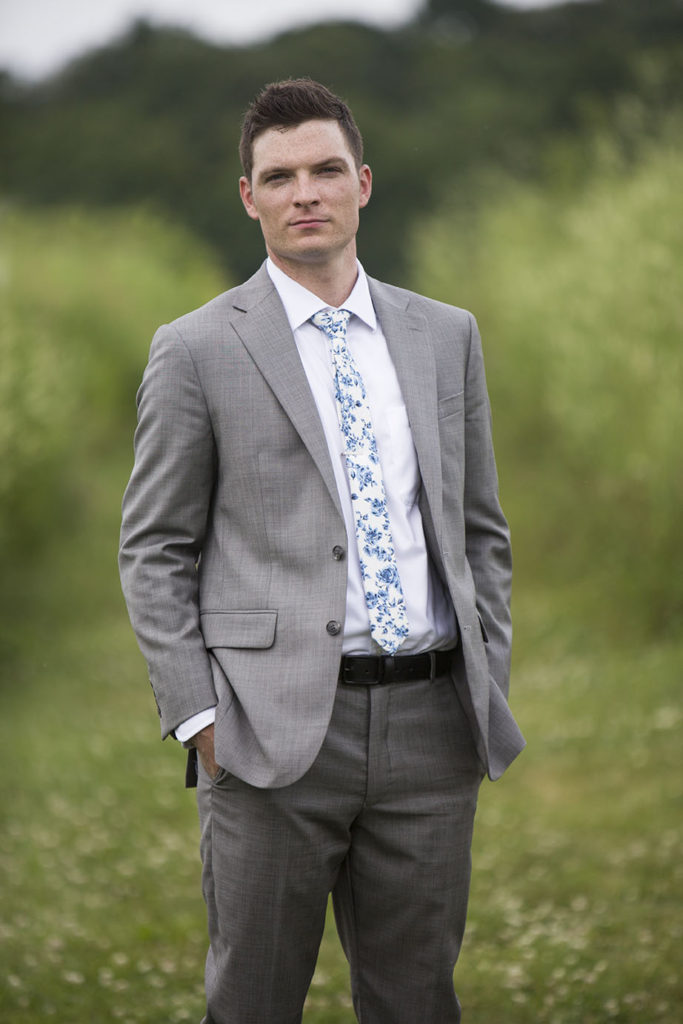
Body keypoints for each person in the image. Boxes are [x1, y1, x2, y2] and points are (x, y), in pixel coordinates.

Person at [119, 77, 525, 1024]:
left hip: (432, 729)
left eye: (325, 170)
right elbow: (154, 546)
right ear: (249, 196)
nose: (305, 192)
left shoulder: (444, 335)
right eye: (280, 175)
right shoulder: (195, 349)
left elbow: (478, 528)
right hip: (266, 735)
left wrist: (484, 670)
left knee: (417, 999)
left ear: (363, 184)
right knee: (255, 1001)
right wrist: (197, 719)